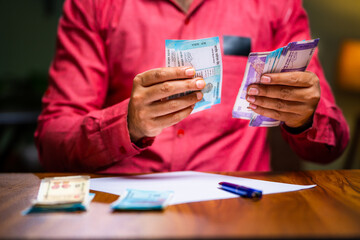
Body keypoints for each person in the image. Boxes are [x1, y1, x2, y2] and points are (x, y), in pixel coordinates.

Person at [35, 0, 349, 173]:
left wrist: (304, 119)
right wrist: (127, 123)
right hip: (121, 215)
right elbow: (51, 143)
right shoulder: (93, 5)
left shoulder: (274, 5)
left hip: (238, 208)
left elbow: (329, 146)